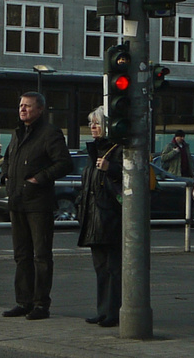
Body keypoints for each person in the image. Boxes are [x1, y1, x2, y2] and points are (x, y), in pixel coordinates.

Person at [2, 91, 72, 320]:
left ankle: (41, 304)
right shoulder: (17, 133)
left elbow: (64, 163)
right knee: (21, 255)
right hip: (17, 200)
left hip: (38, 203)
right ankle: (23, 301)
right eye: (21, 105)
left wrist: (38, 179)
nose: (23, 109)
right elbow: (8, 158)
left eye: (28, 106)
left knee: (41, 255)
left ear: (40, 109)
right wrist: (6, 176)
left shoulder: (49, 133)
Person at [76, 107, 122, 327]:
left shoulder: (117, 150)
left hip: (111, 216)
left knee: (113, 268)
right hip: (95, 216)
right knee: (101, 268)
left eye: (97, 123)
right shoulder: (95, 151)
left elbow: (132, 174)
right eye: (91, 123)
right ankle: (103, 310)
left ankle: (114, 311)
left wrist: (110, 168)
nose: (92, 127)